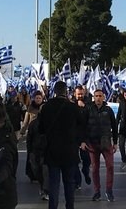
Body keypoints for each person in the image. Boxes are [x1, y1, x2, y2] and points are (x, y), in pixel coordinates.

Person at [37, 81, 85, 209]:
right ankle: (70, 206)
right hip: (69, 150)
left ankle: (53, 206)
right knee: (69, 183)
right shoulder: (73, 107)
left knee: (54, 183)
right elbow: (82, 125)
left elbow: (40, 128)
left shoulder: (46, 107)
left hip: (52, 150)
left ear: (55, 91)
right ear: (66, 92)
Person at [84, 88, 117, 202]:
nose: (98, 98)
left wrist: (115, 142)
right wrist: (83, 141)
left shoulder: (108, 110)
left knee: (110, 166)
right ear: (94, 97)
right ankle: (97, 191)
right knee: (94, 169)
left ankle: (109, 190)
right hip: (92, 143)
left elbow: (114, 125)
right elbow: (83, 126)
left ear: (103, 97)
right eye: (96, 96)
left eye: (100, 96)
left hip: (106, 142)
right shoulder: (88, 109)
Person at [22, 91, 49, 200]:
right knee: (36, 168)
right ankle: (37, 180)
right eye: (36, 98)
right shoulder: (30, 110)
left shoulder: (49, 122)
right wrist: (23, 132)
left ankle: (44, 189)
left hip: (45, 149)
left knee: (45, 170)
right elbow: (26, 122)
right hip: (34, 146)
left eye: (40, 98)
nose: (38, 100)